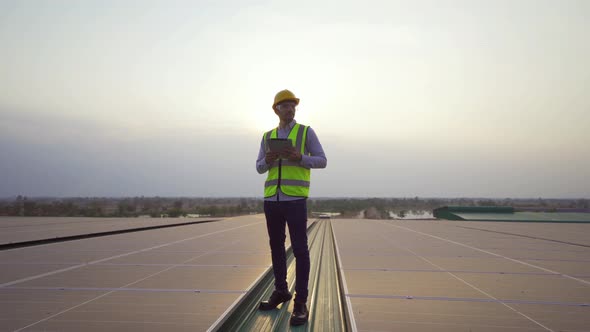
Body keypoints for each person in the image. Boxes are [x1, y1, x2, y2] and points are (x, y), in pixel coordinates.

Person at [256, 89, 327, 326]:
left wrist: (300, 158)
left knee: (300, 250)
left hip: (295, 200)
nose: (290, 108)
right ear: (276, 109)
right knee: (276, 247)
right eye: (285, 105)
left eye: (292, 105)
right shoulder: (267, 136)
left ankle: (301, 302)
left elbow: (322, 160)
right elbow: (258, 167)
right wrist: (268, 160)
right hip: (272, 200)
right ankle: (281, 291)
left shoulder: (306, 132)